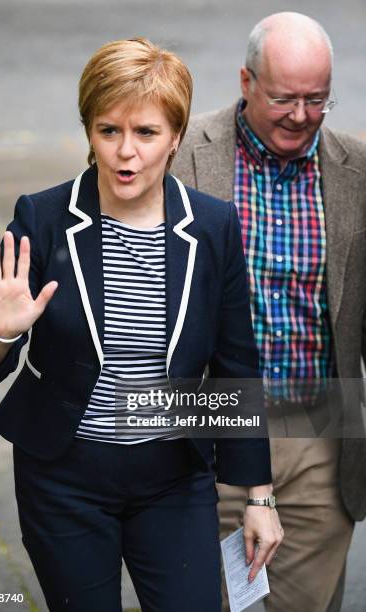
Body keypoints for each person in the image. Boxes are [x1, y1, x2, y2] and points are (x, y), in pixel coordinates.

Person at [0, 38, 282, 612]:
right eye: (109, 131)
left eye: (146, 133)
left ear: (176, 136)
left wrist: (260, 496)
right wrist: (1, 333)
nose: (124, 153)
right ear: (89, 131)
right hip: (64, 478)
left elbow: (236, 363)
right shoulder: (44, 216)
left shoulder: (211, 227)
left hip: (173, 477)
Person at [172, 11, 366, 612]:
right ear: (246, 81)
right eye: (285, 98)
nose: (301, 116)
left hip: (318, 441)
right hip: (212, 434)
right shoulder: (180, 159)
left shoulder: (358, 171)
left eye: (317, 100)